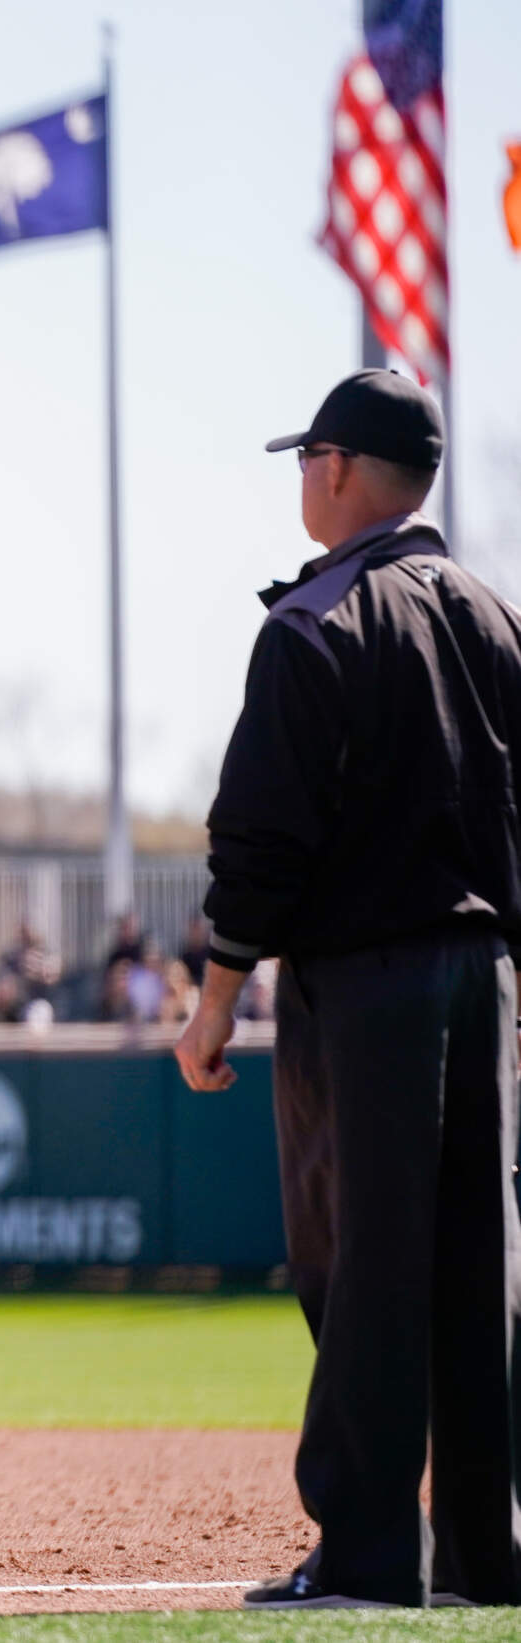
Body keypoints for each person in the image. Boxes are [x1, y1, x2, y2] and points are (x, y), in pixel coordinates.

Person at [175, 369, 521, 1610]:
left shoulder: (316, 621)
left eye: (306, 459)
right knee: (481, 1267)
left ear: (332, 466)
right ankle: (487, 1552)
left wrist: (217, 994)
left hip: (364, 983)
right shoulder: (494, 617)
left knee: (365, 1260)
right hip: (484, 977)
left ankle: (371, 1554)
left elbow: (261, 834)